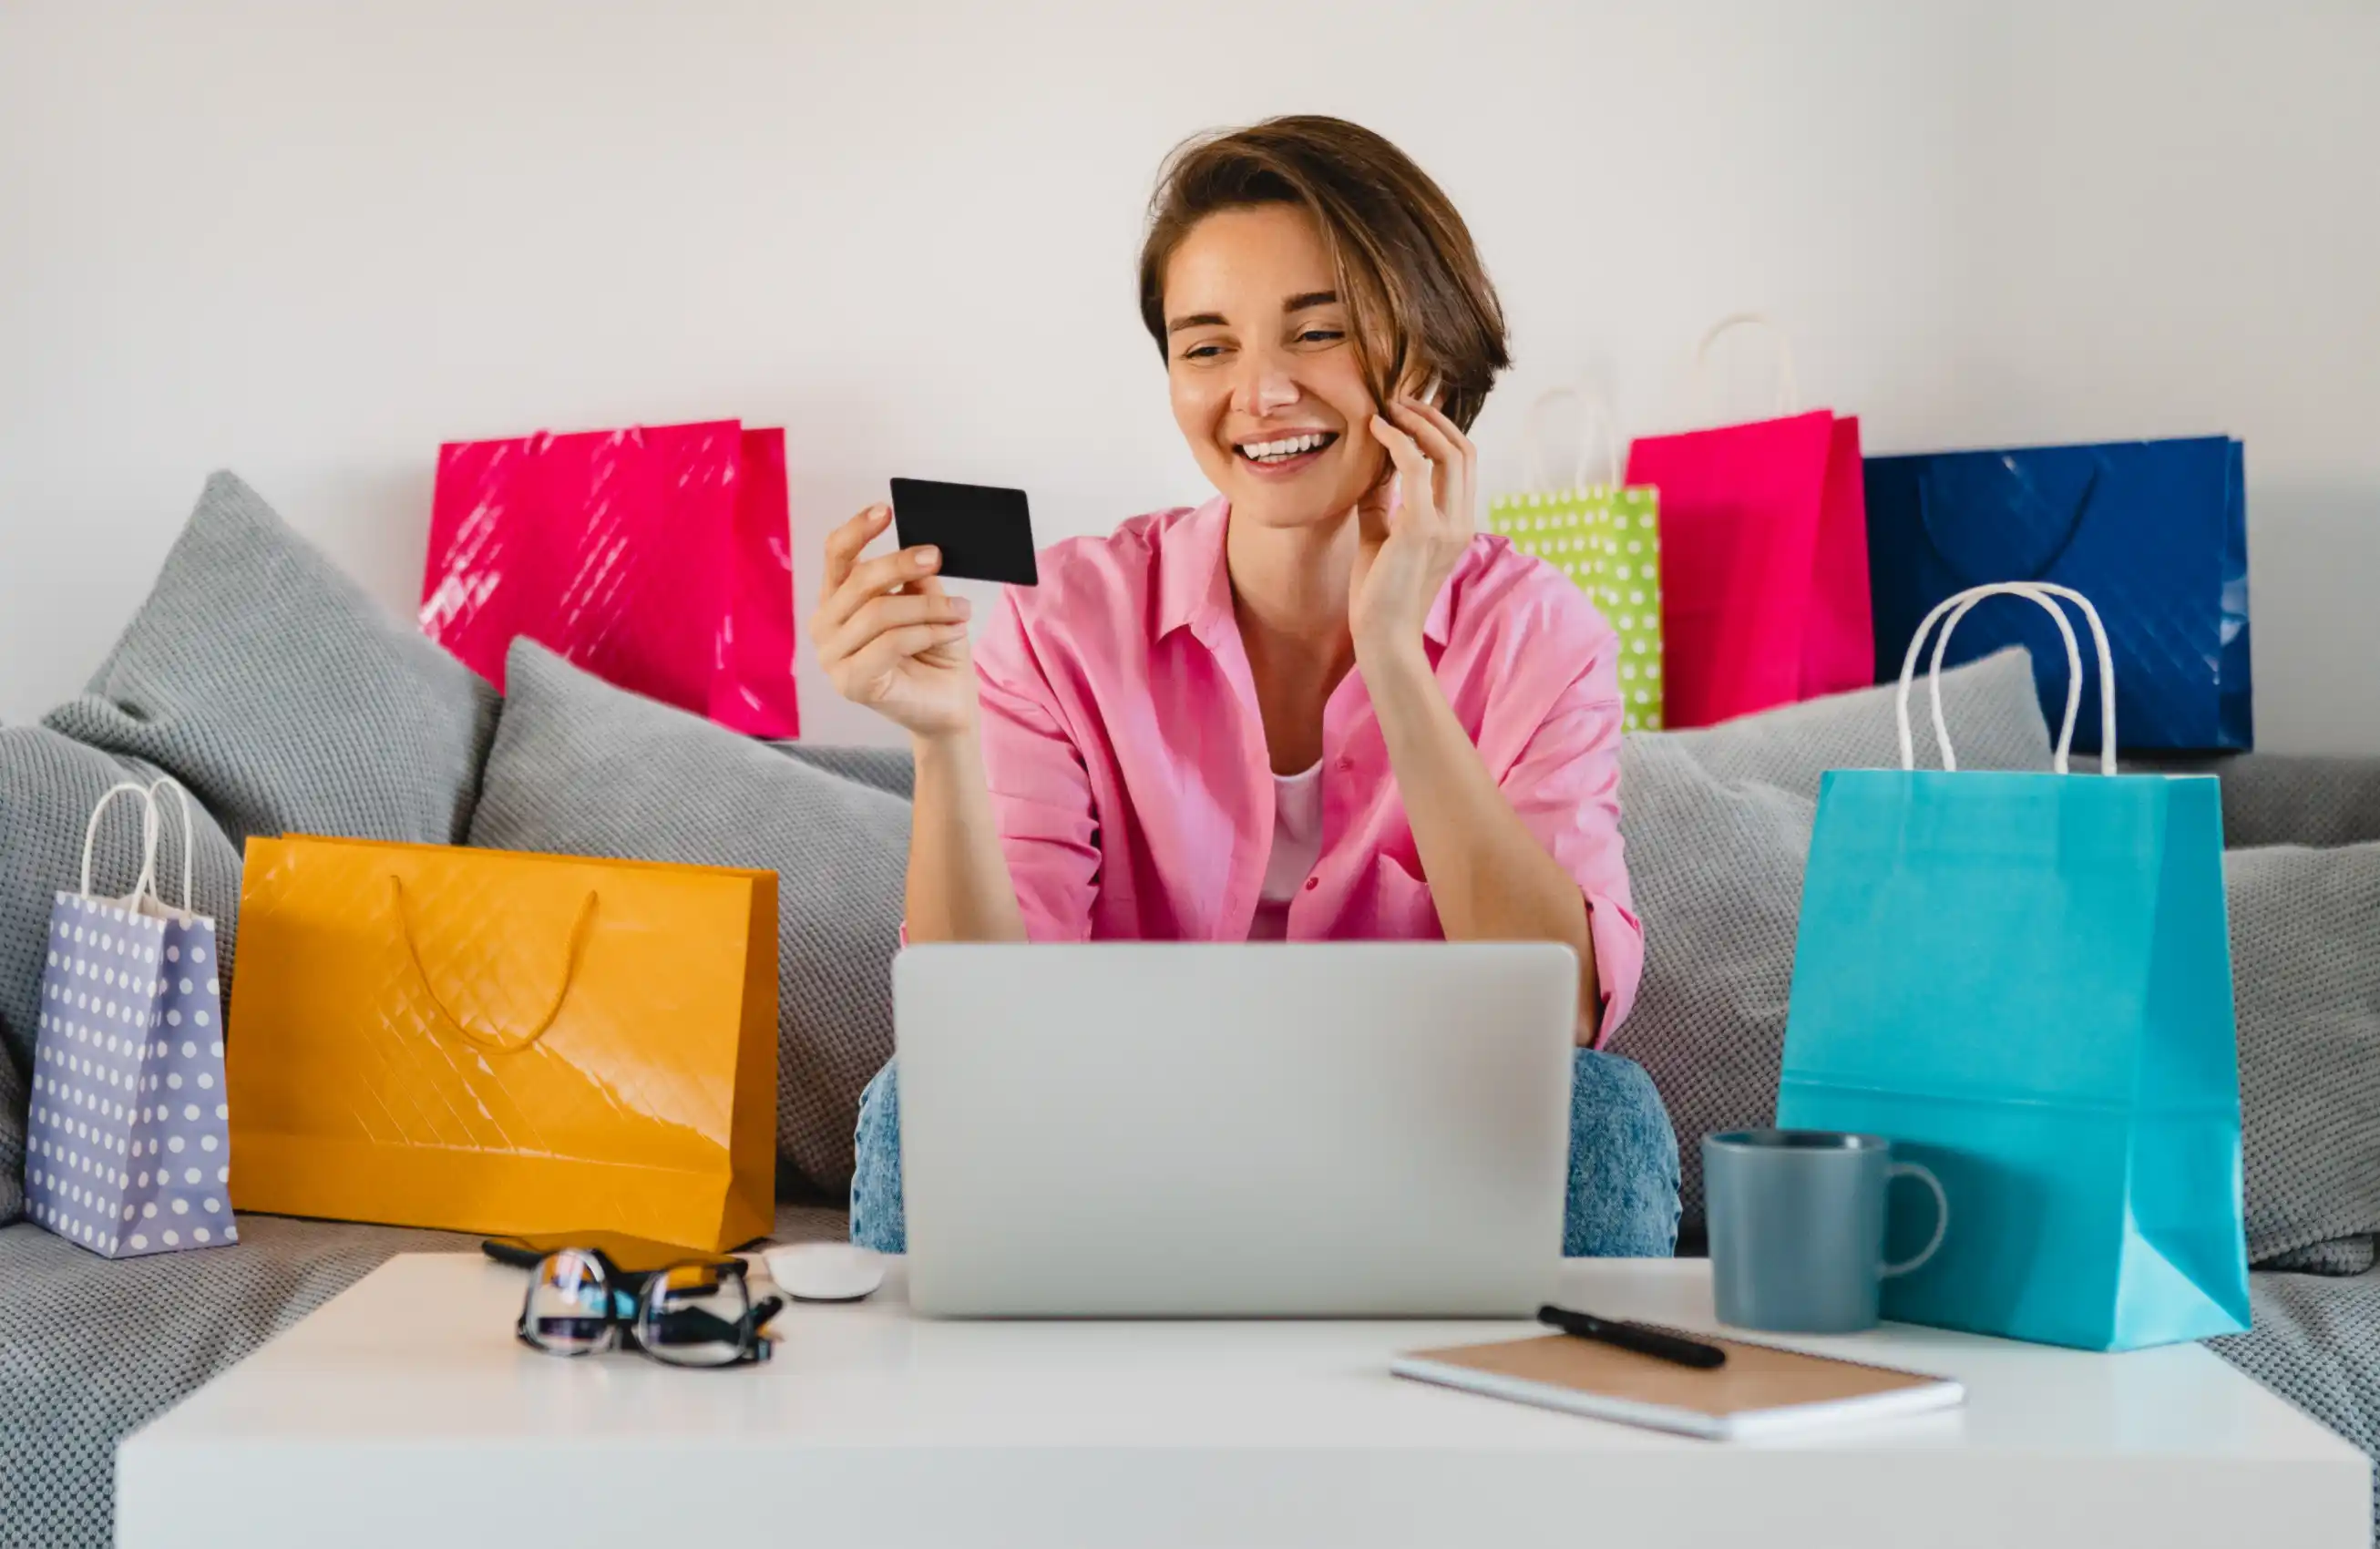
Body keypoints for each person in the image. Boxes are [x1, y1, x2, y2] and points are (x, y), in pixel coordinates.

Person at [813, 115, 1679, 1257]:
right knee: (913, 1102)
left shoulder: (1537, 634)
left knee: (1604, 1116)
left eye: (1317, 333)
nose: (1259, 392)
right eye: (1206, 347)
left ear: (1427, 356)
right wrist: (942, 740)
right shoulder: (1061, 624)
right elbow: (976, 1038)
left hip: (1416, 1150)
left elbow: (1559, 1012)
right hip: (1124, 1148)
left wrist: (1393, 659)